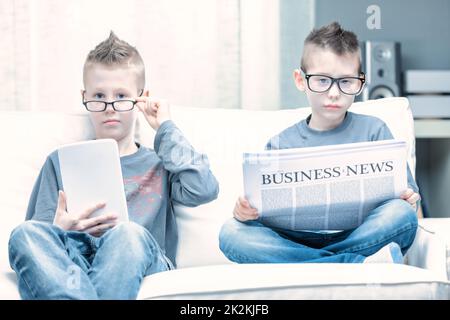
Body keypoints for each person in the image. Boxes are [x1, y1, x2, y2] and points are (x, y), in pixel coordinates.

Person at [8, 31, 219, 300]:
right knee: (23, 234)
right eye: (99, 96)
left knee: (127, 233)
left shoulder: (161, 162)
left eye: (121, 95)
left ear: (141, 98)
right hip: (76, 264)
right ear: (85, 97)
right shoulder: (60, 161)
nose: (109, 107)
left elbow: (204, 188)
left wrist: (165, 127)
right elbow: (38, 241)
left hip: (142, 259)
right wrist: (59, 230)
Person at [219, 22, 419, 265]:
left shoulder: (375, 130)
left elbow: (407, 197)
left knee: (401, 215)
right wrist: (244, 213)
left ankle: (315, 264)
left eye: (346, 81)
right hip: (294, 240)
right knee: (232, 233)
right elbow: (261, 210)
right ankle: (349, 263)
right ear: (301, 80)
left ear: (361, 82)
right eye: (322, 80)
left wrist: (408, 198)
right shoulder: (281, 144)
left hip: (359, 233)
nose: (334, 93)